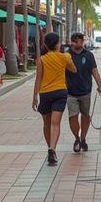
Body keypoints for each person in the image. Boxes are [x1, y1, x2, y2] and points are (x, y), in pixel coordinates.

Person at [32, 32, 77, 166]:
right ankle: (52, 149)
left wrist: (34, 97)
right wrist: (67, 61)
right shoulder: (65, 57)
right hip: (60, 93)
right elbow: (74, 70)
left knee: (46, 123)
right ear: (58, 44)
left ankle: (50, 149)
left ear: (45, 44)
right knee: (55, 123)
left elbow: (38, 79)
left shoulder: (41, 60)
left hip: (45, 94)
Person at [66, 32, 101, 153]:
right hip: (70, 92)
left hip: (86, 91)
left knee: (85, 116)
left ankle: (83, 139)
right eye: (79, 41)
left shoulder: (89, 55)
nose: (82, 43)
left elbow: (94, 70)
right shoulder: (66, 55)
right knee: (72, 116)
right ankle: (77, 138)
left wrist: (100, 85)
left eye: (83, 41)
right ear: (72, 42)